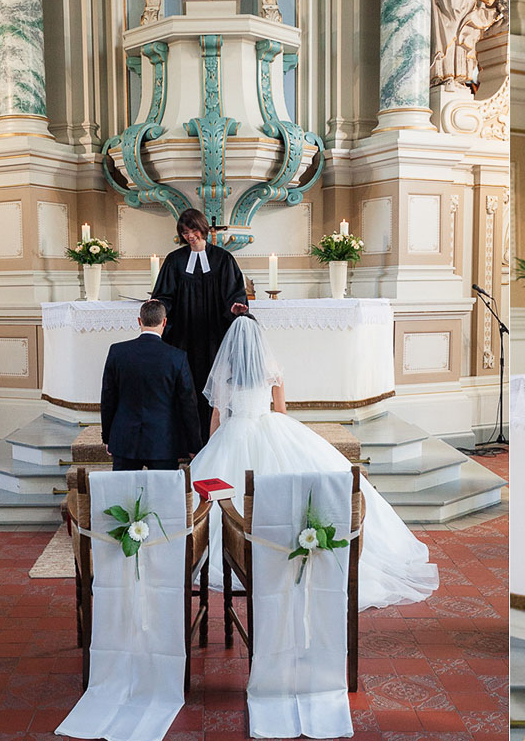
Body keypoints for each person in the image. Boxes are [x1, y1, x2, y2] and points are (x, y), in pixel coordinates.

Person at [190, 315, 439, 611]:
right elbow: (280, 411)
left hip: (234, 433)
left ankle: (233, 548)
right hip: (269, 427)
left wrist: (213, 447)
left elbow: (218, 417)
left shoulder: (226, 373)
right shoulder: (273, 371)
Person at [151, 208, 248, 445]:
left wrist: (236, 308)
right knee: (185, 386)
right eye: (184, 232)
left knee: (214, 386)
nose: (189, 235)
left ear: (202, 228)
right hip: (183, 336)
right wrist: (158, 304)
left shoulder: (223, 259)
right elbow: (164, 296)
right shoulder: (175, 260)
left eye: (193, 230)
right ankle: (186, 441)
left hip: (214, 336)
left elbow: (236, 293)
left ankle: (216, 439)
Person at [100, 299, 202, 471]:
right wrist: (194, 445)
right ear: (164, 322)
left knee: (125, 496)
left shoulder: (117, 352)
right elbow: (188, 404)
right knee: (163, 496)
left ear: (139, 321)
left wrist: (108, 437)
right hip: (163, 440)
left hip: (125, 439)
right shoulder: (177, 357)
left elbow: (108, 398)